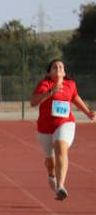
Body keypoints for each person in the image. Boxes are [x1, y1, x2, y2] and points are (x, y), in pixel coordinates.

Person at [29, 59, 96, 200]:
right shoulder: (45, 84)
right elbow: (33, 102)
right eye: (55, 67)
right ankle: (51, 174)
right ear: (49, 72)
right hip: (45, 128)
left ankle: (60, 186)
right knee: (50, 162)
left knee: (61, 146)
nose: (58, 68)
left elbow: (75, 97)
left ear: (64, 72)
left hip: (65, 123)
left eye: (61, 66)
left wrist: (88, 112)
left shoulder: (70, 84)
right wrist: (50, 92)